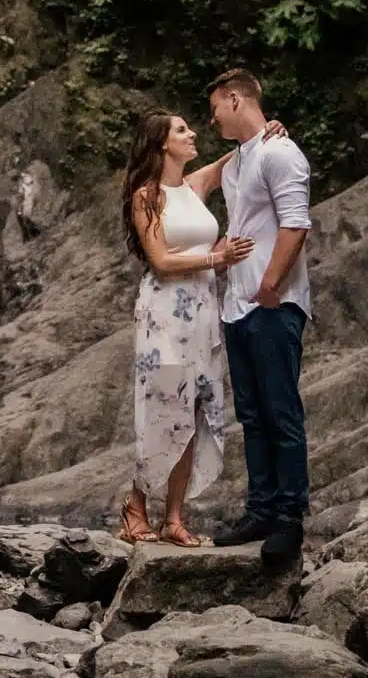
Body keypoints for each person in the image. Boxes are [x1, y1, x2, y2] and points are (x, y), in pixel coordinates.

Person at [116, 110, 276, 547]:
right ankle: (135, 506)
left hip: (203, 311)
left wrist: (267, 131)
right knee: (165, 406)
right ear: (162, 143)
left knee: (194, 410)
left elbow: (238, 155)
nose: (192, 134)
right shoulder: (146, 195)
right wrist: (216, 259)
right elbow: (161, 260)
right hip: (164, 313)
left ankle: (173, 518)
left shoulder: (194, 185)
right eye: (182, 130)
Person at [206, 67, 313, 565]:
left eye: (214, 109)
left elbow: (295, 223)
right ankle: (261, 508)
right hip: (237, 306)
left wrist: (271, 284)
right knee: (251, 416)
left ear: (234, 99)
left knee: (281, 410)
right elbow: (240, 221)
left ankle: (291, 517)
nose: (211, 119)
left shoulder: (280, 152)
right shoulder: (236, 163)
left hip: (273, 304)